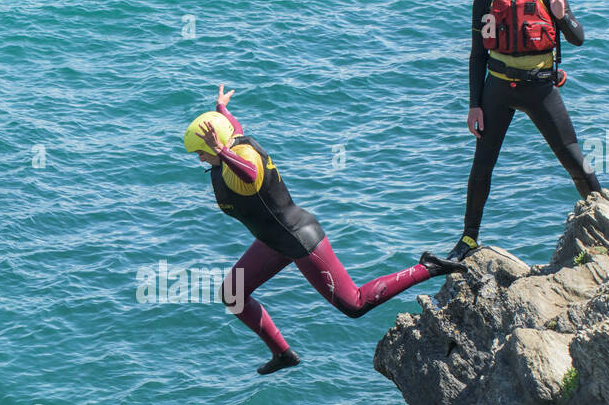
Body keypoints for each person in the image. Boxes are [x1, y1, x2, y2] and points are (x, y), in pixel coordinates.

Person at [184, 85, 463, 375]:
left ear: (220, 145)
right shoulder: (233, 142)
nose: (200, 159)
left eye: (202, 152)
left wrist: (221, 152)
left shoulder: (237, 164)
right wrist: (222, 109)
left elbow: (250, 173)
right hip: (272, 240)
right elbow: (233, 129)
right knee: (233, 293)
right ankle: (283, 354)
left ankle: (427, 267)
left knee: (354, 304)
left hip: (299, 238)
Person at [448, 0, 602, 262]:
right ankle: (468, 240)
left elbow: (578, 38)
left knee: (575, 159)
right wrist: (474, 105)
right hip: (497, 89)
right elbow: (478, 55)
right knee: (481, 168)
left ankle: (605, 221)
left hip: (540, 88)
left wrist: (561, 17)